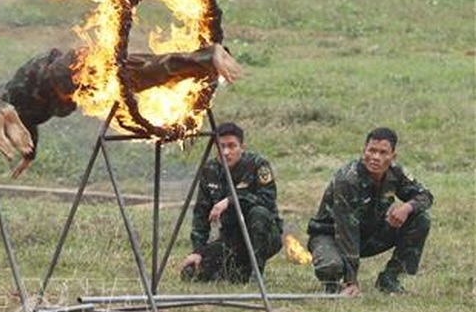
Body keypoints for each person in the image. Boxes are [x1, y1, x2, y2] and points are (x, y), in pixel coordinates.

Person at [0, 43, 243, 221]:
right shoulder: (14, 108)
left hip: (63, 72)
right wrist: (29, 153)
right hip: (65, 80)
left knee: (136, 72)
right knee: (140, 74)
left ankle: (207, 57)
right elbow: (27, 124)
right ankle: (205, 59)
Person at [307, 127, 433, 296]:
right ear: (363, 151)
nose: (375, 157)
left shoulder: (395, 173)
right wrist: (351, 280)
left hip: (368, 235)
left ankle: (389, 279)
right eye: (371, 151)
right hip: (331, 236)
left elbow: (426, 196)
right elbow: (346, 230)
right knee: (331, 268)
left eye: (383, 153)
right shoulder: (348, 179)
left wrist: (406, 208)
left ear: (393, 156)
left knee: (421, 219)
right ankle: (334, 285)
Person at [178, 121, 283, 283]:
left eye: (232, 146)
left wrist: (231, 201)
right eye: (221, 146)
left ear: (242, 147)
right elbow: (201, 212)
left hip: (264, 234)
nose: (226, 152)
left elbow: (267, 200)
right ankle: (240, 271)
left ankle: (256, 273)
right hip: (232, 237)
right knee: (192, 273)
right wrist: (197, 251)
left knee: (259, 213)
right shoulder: (210, 170)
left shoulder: (257, 165)